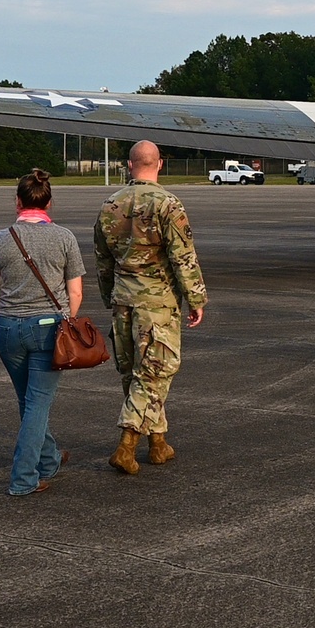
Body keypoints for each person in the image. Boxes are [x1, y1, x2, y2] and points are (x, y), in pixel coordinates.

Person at [0, 169, 85, 496]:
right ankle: (23, 478)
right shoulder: (64, 238)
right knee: (36, 403)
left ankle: (48, 459)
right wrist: (68, 323)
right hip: (48, 329)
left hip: (8, 330)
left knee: (29, 401)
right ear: (49, 202)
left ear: (18, 202)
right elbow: (76, 293)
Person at [95, 140, 208, 475]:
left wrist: (108, 297)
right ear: (159, 164)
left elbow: (103, 261)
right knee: (156, 372)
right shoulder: (168, 205)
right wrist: (196, 298)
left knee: (136, 374)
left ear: (130, 166)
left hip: (123, 300)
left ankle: (158, 443)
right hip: (157, 303)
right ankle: (127, 443)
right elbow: (183, 257)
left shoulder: (110, 204)